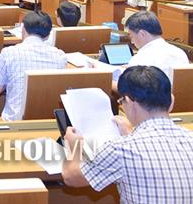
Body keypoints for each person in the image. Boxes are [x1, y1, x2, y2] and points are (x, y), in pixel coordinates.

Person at [62, 65, 193, 203]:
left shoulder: (120, 149)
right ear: (171, 102)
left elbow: (71, 177)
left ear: (129, 102)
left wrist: (73, 147)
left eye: (122, 101)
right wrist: (131, 134)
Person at [0, 11, 67, 120]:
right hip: (47, 122)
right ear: (48, 35)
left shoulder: (9, 53)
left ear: (23, 29)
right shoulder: (60, 56)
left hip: (14, 123)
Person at [117, 11, 188, 87]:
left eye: (131, 36)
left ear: (142, 34)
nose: (132, 41)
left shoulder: (140, 59)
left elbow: (130, 89)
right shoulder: (180, 53)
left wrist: (110, 81)